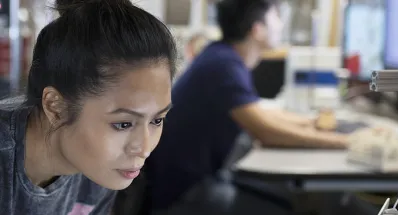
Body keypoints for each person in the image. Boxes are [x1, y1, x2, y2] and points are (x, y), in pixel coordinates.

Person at [146, 0, 349, 212]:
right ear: (258, 29)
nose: (281, 24)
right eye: (276, 17)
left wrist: (312, 122)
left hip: (191, 181)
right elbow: (265, 131)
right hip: (184, 193)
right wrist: (344, 142)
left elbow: (259, 112)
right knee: (287, 206)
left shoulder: (222, 56)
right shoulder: (224, 66)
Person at [0, 0, 177, 214]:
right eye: (123, 124)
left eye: (157, 120)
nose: (144, 149)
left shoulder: (101, 172)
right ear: (55, 107)